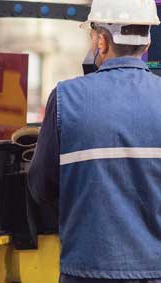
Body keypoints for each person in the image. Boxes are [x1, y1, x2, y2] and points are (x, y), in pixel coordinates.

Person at [28, 0, 161, 282]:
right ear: (146, 43)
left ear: (101, 41)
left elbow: (41, 186)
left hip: (87, 269)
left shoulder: (67, 98)